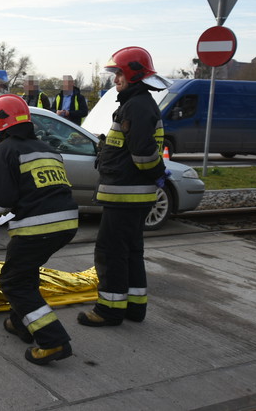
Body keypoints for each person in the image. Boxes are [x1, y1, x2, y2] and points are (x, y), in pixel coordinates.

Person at [0, 94, 79, 366]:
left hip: (37, 226)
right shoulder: (47, 149)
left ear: (3, 122)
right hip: (66, 223)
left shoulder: (4, 151)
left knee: (13, 281)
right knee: (25, 270)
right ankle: (21, 323)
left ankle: (52, 340)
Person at [77, 47, 170, 328]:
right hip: (131, 195)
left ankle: (109, 310)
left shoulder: (137, 106)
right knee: (130, 251)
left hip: (126, 195)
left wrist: (156, 173)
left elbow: (142, 154)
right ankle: (134, 307)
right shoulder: (136, 103)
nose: (115, 79)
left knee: (110, 253)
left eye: (118, 73)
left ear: (133, 73)